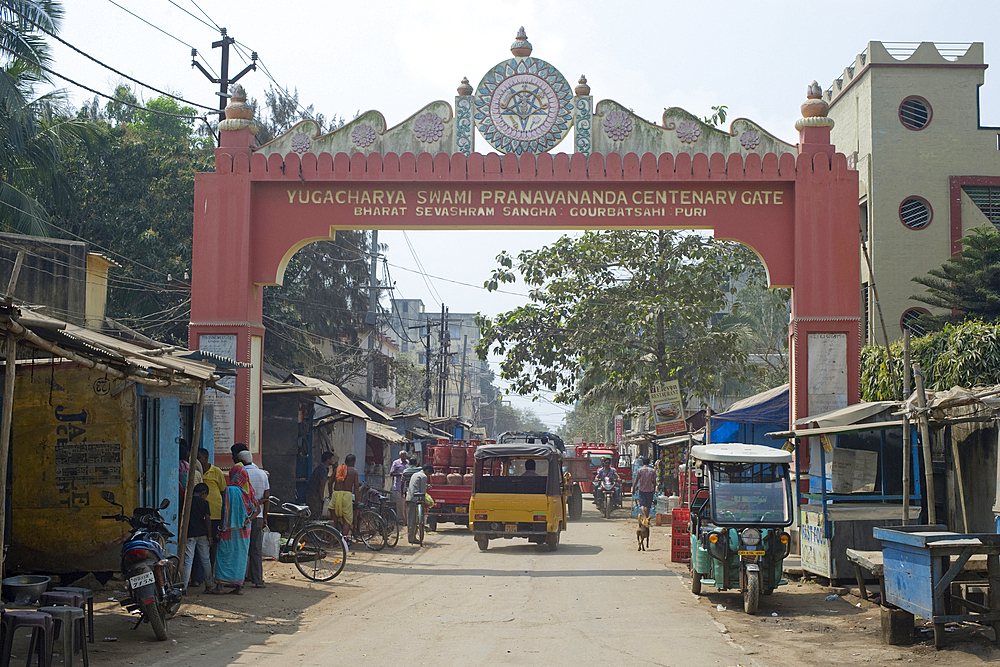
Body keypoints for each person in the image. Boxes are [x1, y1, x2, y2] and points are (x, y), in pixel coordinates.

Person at [209, 464, 256, 595]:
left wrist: (220, 528)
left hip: (229, 529)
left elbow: (225, 511)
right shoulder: (249, 491)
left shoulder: (230, 491)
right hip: (244, 530)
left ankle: (219, 586)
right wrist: (248, 519)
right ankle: (238, 586)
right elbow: (256, 509)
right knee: (240, 557)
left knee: (223, 555)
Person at [235, 447, 270, 588]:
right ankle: (257, 579)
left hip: (243, 516)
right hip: (259, 516)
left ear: (241, 461)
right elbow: (266, 498)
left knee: (241, 548)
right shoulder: (262, 474)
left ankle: (239, 579)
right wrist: (265, 517)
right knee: (256, 549)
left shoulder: (241, 474)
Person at [181, 483, 214, 594]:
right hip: (203, 534)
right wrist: (210, 536)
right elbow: (208, 520)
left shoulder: (186, 502)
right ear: (203, 493)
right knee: (206, 560)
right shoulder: (205, 503)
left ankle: (184, 588)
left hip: (190, 534)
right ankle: (209, 585)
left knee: (188, 561)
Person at [197, 448, 226, 569]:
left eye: (199, 458)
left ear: (206, 458)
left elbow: (223, 491)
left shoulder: (216, 471)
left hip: (215, 513)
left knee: (213, 544)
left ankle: (212, 570)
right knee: (200, 545)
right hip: (199, 515)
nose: (197, 460)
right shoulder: (195, 472)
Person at [328, 453, 361, 540]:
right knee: (347, 521)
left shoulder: (337, 469)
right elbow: (356, 487)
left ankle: (331, 544)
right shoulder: (354, 471)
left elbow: (329, 482)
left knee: (333, 521)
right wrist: (357, 501)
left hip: (336, 494)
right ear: (353, 462)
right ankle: (343, 543)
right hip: (346, 496)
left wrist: (331, 494)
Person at [406, 464, 433, 544]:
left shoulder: (415, 474)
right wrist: (424, 502)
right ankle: (411, 538)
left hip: (409, 498)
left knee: (411, 519)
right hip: (416, 500)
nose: (429, 476)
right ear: (427, 471)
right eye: (429, 474)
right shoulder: (424, 477)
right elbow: (422, 491)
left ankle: (412, 537)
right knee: (413, 520)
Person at [306, 451, 335, 519]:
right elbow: (322, 483)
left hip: (313, 493)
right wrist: (321, 496)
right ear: (328, 460)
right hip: (314, 494)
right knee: (315, 513)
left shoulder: (323, 468)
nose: (333, 460)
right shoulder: (323, 469)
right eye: (332, 459)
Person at [388, 450, 409, 520]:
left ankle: (406, 520)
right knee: (400, 505)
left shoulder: (408, 463)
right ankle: (401, 520)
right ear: (400, 456)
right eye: (402, 456)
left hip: (406, 487)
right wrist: (400, 474)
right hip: (398, 487)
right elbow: (391, 473)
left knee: (406, 505)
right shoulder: (396, 463)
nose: (404, 457)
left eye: (405, 456)